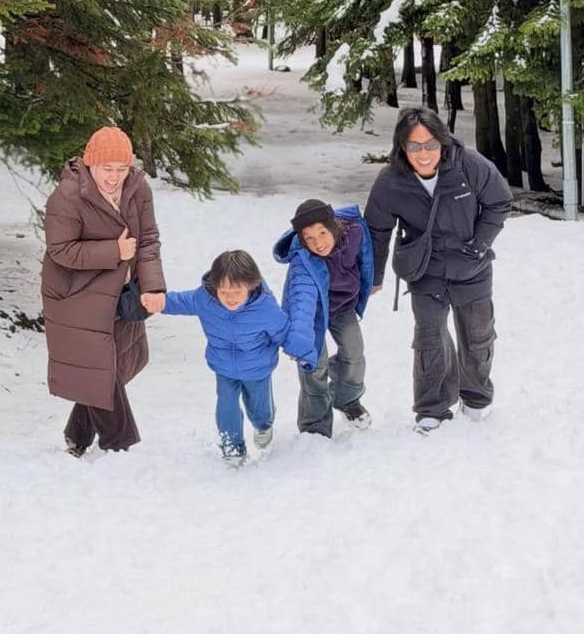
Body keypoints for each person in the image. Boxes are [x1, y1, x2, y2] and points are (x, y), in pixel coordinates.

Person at [364, 106, 512, 435]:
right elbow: (377, 230)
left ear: (443, 142)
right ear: (402, 147)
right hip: (424, 269)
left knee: (477, 337)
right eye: (414, 146)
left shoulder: (469, 165)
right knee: (430, 339)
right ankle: (432, 408)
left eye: (430, 144)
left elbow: (499, 201)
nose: (424, 154)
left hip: (471, 266)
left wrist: (480, 244)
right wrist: (373, 277)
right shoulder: (391, 181)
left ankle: (475, 399)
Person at [41, 125, 166, 456]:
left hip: (119, 294)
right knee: (100, 366)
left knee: (112, 365)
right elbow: (61, 250)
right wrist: (114, 251)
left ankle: (77, 434)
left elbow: (149, 239)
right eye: (106, 169)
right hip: (75, 294)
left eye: (121, 170)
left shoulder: (138, 190)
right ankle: (119, 445)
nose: (113, 178)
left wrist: (152, 286)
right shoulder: (67, 197)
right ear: (90, 164)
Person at [155, 251, 289, 467]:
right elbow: (181, 301)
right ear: (215, 286)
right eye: (224, 291)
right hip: (223, 367)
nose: (230, 297)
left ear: (251, 286)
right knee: (226, 407)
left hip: (258, 368)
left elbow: (284, 332)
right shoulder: (205, 299)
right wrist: (160, 301)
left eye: (237, 291)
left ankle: (264, 425)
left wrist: (301, 352)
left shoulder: (266, 308)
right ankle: (232, 446)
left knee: (260, 410)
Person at [273, 199, 374, 438]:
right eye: (309, 238)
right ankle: (314, 425)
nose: (317, 243)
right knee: (314, 365)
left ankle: (346, 399)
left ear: (334, 227)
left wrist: (372, 282)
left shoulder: (354, 233)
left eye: (321, 233)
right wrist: (300, 335)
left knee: (354, 352)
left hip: (342, 305)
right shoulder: (303, 260)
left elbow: (366, 259)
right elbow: (302, 300)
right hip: (311, 313)